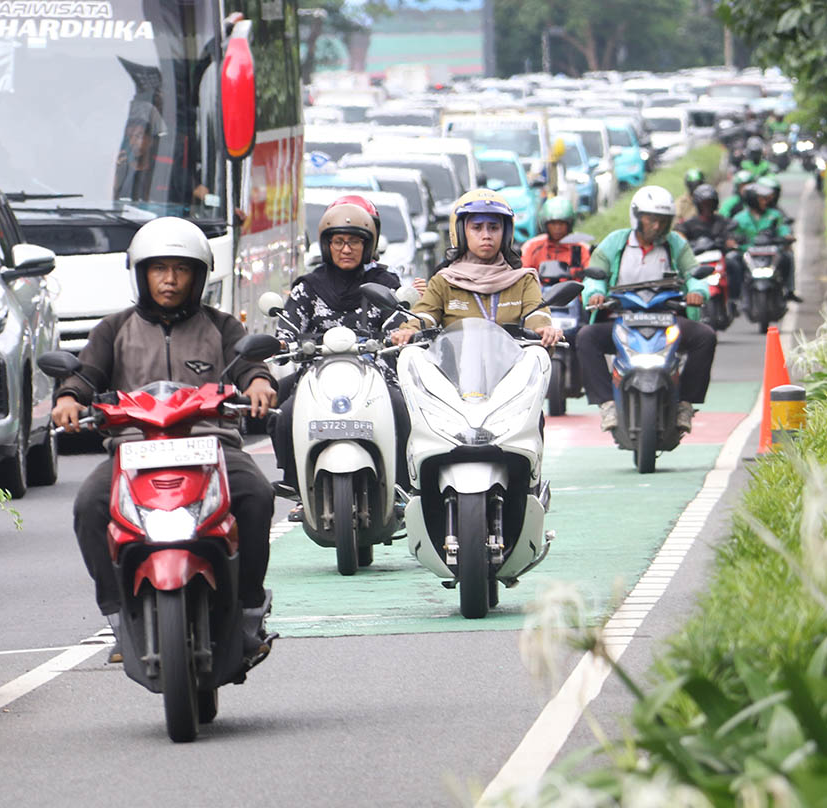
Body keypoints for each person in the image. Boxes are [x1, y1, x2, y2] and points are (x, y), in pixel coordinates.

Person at [52, 217, 277, 662]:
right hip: (133, 451)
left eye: (181, 269)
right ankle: (120, 618)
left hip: (210, 448)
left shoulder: (221, 326)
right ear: (141, 273)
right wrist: (68, 398)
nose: (169, 280)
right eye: (159, 269)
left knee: (257, 495)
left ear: (198, 277)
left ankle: (249, 611)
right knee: (89, 506)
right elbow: (85, 374)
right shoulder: (114, 329)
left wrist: (258, 384)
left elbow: (250, 366)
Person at [272, 197, 409, 502]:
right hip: (318, 373)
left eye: (354, 242)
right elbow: (288, 326)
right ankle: (295, 483)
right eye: (338, 242)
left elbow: (398, 322)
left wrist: (400, 335)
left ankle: (401, 485)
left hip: (375, 373)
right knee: (284, 413)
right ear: (326, 245)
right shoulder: (308, 286)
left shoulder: (385, 284)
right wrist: (283, 342)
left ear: (368, 245)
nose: (346, 249)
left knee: (401, 407)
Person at [577, 186, 717, 433]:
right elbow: (595, 275)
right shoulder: (615, 242)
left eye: (663, 221)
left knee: (705, 336)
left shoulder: (676, 244)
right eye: (651, 219)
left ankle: (685, 404)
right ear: (636, 217)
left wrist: (698, 292)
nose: (656, 226)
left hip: (667, 318)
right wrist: (596, 293)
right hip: (622, 317)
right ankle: (607, 404)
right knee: (586, 337)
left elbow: (694, 274)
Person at [390, 189, 563, 347]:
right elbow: (425, 315)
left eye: (494, 228)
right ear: (460, 232)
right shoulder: (443, 281)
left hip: (514, 369)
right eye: (477, 228)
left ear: (506, 233)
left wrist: (543, 329)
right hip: (456, 369)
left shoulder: (524, 281)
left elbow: (536, 314)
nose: (486, 235)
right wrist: (410, 330)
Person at [731, 175, 799, 301]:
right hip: (747, 253)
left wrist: (786, 236)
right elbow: (732, 234)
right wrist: (732, 241)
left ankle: (789, 290)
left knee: (788, 256)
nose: (765, 202)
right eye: (761, 199)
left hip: (770, 252)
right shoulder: (739, 218)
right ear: (753, 200)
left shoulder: (774, 215)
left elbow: (782, 228)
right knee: (731, 259)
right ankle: (735, 296)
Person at [676, 183, 743, 311]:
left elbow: (732, 234)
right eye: (704, 204)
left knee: (734, 261)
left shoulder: (722, 221)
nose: (707, 207)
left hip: (720, 259)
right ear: (698, 205)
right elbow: (679, 235)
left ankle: (734, 298)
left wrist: (731, 241)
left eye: (710, 203)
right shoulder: (689, 224)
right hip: (698, 260)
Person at [520, 197, 591, 279]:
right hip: (540, 287)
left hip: (572, 287)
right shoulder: (532, 247)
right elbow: (523, 274)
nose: (557, 228)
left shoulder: (581, 249)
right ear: (545, 224)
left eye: (561, 223)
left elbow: (590, 277)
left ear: (569, 224)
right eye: (553, 223)